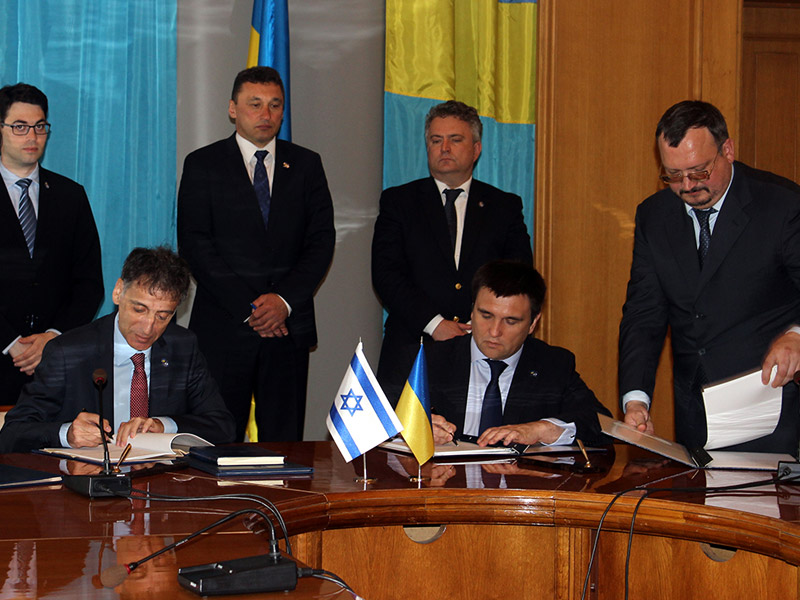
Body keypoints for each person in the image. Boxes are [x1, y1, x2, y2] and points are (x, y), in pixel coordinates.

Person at [619, 100, 800, 454]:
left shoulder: (782, 206)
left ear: (727, 150)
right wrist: (635, 399)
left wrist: (796, 335)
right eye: (672, 175)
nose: (686, 186)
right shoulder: (655, 217)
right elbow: (644, 314)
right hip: (696, 411)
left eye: (698, 171)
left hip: (771, 405)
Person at [178, 66, 335, 442]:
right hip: (224, 328)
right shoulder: (203, 164)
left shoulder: (306, 164)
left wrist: (281, 301)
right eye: (255, 104)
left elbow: (320, 242)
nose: (266, 115)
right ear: (233, 109)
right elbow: (195, 245)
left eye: (275, 105)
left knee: (285, 443)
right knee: (215, 439)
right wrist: (253, 308)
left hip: (287, 327)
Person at [0, 247, 236, 453]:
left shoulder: (183, 347)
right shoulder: (67, 352)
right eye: (139, 310)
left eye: (163, 316)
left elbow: (222, 427)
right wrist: (67, 434)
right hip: (88, 488)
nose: (148, 327)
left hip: (161, 486)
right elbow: (13, 433)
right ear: (118, 292)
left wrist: (163, 425)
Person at [372, 100, 533, 391]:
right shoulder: (399, 202)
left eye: (455, 139)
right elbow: (386, 275)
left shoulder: (504, 206)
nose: (444, 148)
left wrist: (480, 326)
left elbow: (517, 276)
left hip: (484, 349)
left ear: (476, 149)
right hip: (413, 345)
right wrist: (435, 324)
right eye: (436, 140)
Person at [427, 260, 609, 447]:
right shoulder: (429, 360)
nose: (495, 331)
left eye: (511, 321)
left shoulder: (553, 365)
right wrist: (413, 430)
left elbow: (602, 424)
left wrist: (544, 429)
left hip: (518, 475)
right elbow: (395, 420)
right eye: (486, 316)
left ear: (533, 323)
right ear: (472, 311)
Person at [0, 83, 103, 405]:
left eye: (40, 126)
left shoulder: (70, 195)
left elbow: (89, 283)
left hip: (56, 363)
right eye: (19, 127)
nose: (32, 136)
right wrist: (10, 342)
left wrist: (53, 339)